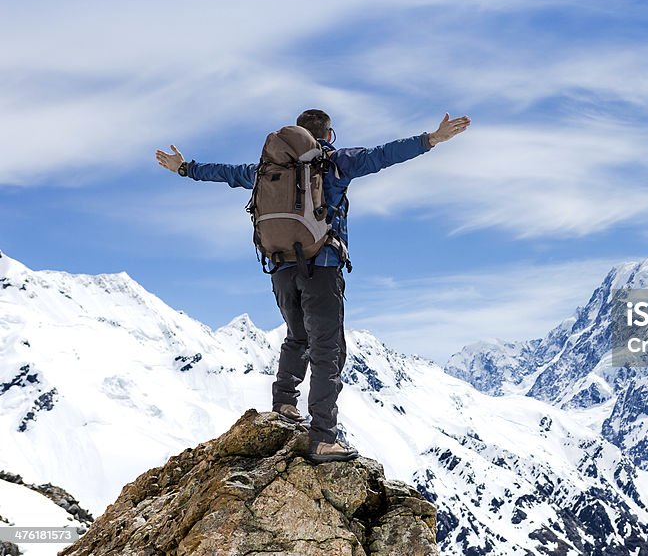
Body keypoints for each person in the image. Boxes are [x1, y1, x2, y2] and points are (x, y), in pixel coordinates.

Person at [155, 110, 470, 461]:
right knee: (327, 350)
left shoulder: (268, 168)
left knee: (297, 336)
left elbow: (227, 174)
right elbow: (384, 154)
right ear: (328, 135)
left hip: (279, 268)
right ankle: (323, 436)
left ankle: (284, 404)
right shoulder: (334, 163)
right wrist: (431, 139)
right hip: (321, 268)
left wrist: (185, 168)